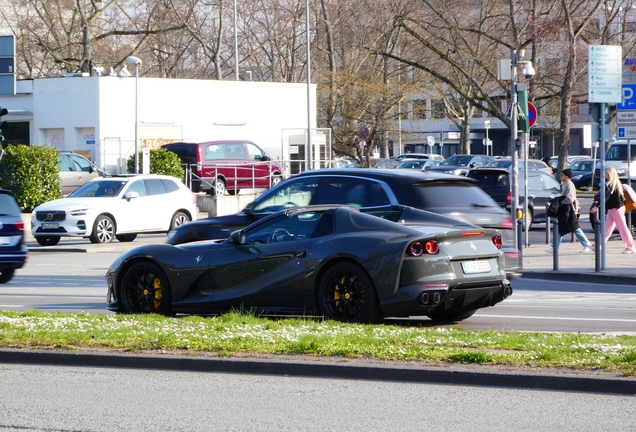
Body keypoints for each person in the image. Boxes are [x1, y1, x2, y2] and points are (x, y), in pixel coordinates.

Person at [545, 168, 593, 254]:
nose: (561, 176)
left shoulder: (569, 185)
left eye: (562, 175)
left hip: (570, 210)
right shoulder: (566, 184)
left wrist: (560, 202)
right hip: (567, 210)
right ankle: (555, 247)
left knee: (573, 228)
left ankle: (586, 244)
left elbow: (570, 198)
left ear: (567, 176)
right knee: (563, 228)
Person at [591, 166, 636, 254]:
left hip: (616, 208)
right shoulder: (616, 184)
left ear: (610, 174)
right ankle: (598, 244)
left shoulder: (610, 185)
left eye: (607, 173)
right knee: (607, 229)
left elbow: (605, 197)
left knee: (622, 228)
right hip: (614, 209)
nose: (605, 174)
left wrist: (596, 206)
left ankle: (630, 247)